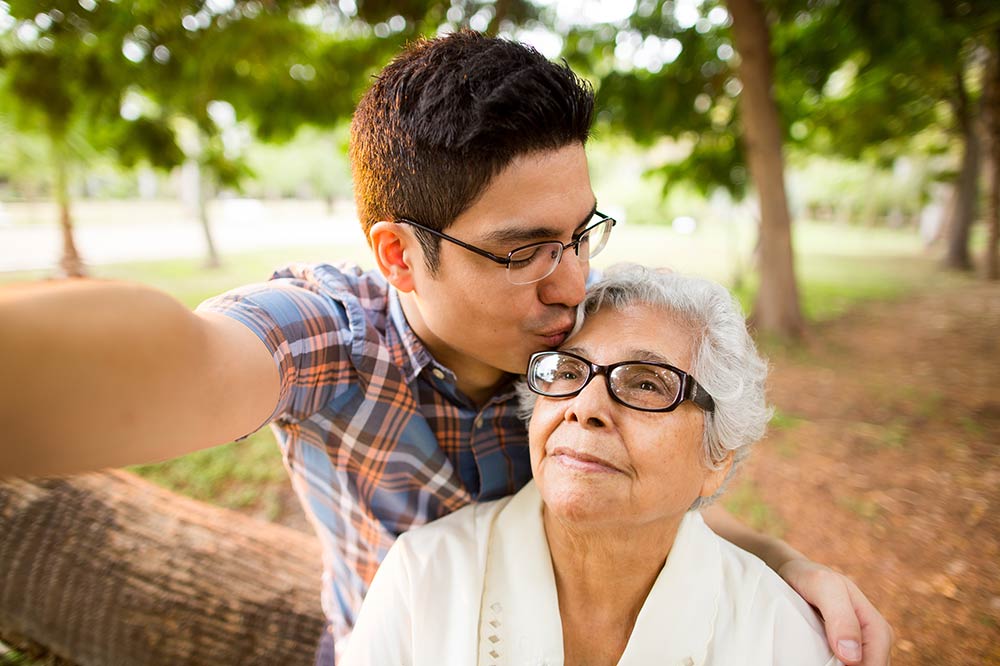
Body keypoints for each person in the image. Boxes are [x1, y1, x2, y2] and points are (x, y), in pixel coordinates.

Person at [0, 31, 889, 665]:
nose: (571, 283)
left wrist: (789, 565)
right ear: (399, 255)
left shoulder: (571, 342)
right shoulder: (336, 340)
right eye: (521, 250)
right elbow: (187, 362)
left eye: (582, 233)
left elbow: (654, 475)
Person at [342, 265, 839, 666]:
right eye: (568, 371)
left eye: (647, 383)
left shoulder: (782, 635)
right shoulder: (422, 578)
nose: (585, 405)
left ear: (717, 457)